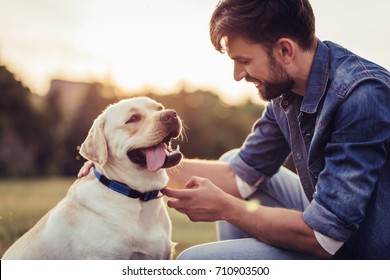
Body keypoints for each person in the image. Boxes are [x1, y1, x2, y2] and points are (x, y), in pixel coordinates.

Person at [78, 0, 390, 259]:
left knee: (193, 262)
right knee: (231, 160)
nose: (238, 74)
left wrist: (228, 209)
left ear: (285, 50)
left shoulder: (361, 95)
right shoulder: (285, 92)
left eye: (244, 60)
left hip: (366, 250)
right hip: (334, 220)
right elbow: (239, 176)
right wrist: (121, 164)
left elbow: (326, 236)